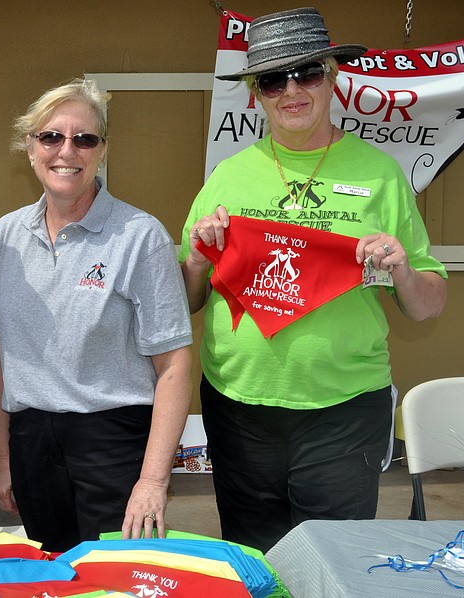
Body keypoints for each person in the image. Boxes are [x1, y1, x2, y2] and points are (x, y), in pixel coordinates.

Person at [180, 8, 447, 553]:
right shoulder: (227, 176)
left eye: (307, 73)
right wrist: (201, 261)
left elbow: (428, 305)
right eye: (273, 80)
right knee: (254, 559)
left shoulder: (380, 174)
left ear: (333, 77)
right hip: (238, 407)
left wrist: (402, 269)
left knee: (333, 560)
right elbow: (187, 299)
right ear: (256, 94)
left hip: (344, 410)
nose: (292, 90)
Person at [0, 78, 193, 552]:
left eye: (84, 139)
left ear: (102, 151)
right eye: (51, 136)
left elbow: (174, 365)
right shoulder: (3, 239)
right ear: (30, 147)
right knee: (52, 573)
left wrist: (152, 481)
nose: (66, 151)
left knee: (117, 575)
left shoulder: (141, 236)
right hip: (31, 440)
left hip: (113, 443)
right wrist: (3, 458)